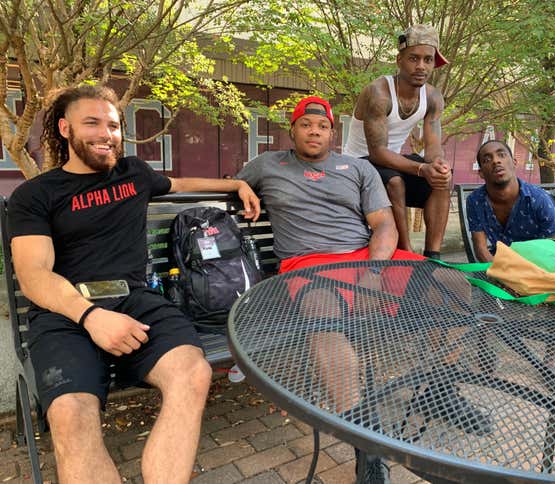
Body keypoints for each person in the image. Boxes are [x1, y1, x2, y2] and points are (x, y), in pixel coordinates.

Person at [7, 85, 261, 484]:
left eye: (112, 125)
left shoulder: (133, 173)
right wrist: (90, 316)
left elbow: (179, 185)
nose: (105, 133)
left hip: (135, 301)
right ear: (64, 128)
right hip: (66, 312)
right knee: (70, 414)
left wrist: (236, 185)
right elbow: (34, 273)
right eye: (91, 123)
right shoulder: (35, 195)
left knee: (192, 372)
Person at [237, 96, 491, 484]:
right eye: (305, 125)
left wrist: (372, 271)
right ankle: (366, 442)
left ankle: (441, 389)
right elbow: (228, 185)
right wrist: (241, 186)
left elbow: (385, 225)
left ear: (332, 133)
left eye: (321, 126)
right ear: (292, 130)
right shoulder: (268, 164)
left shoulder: (355, 168)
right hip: (308, 265)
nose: (314, 131)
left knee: (452, 283)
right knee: (324, 319)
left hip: (368, 258)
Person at [344, 24, 451, 260]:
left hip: (392, 162)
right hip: (357, 164)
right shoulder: (378, 92)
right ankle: (405, 253)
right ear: (399, 60)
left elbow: (433, 146)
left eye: (428, 60)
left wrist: (437, 166)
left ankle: (433, 257)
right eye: (414, 58)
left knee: (443, 181)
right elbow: (378, 153)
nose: (421, 66)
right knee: (394, 182)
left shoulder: (433, 97)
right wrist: (422, 168)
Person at [467, 139, 555, 262]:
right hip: (500, 266)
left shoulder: (539, 199)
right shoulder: (475, 201)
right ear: (481, 173)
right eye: (487, 160)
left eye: (502, 155)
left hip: (540, 266)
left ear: (514, 162)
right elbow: (481, 250)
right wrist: (499, 274)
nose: (496, 161)